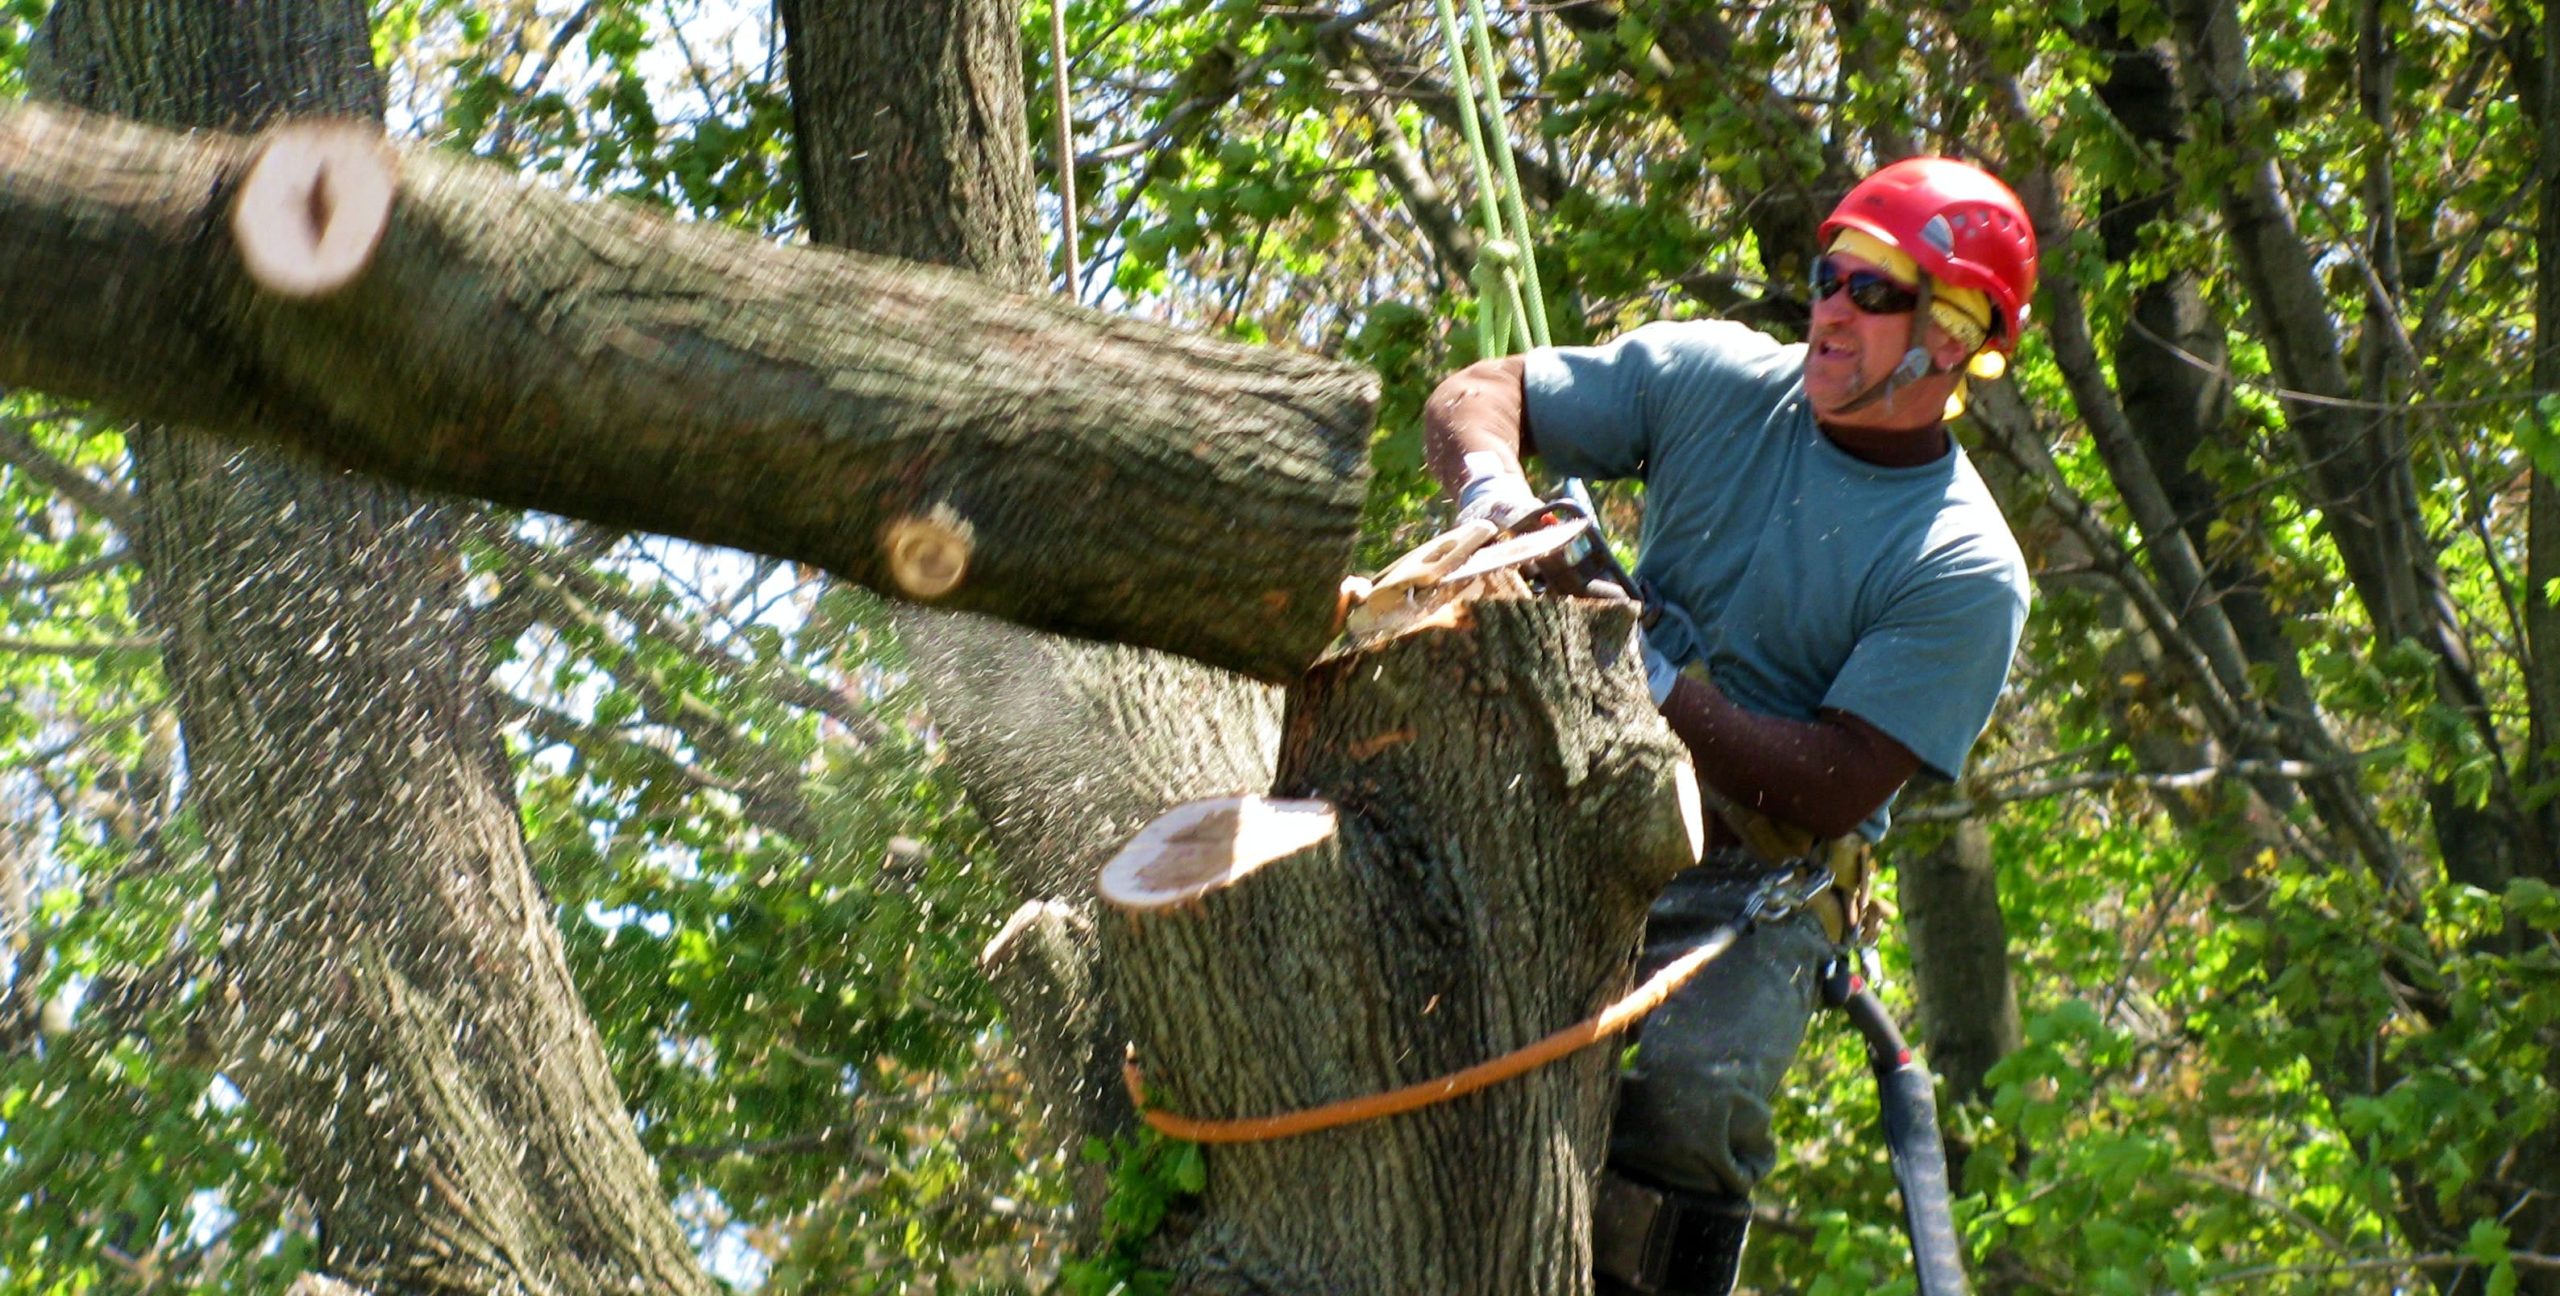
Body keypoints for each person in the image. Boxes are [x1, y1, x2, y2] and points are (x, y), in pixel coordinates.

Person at [1421, 157, 2038, 1295]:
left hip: (1754, 874)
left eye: (1871, 294)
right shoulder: (1711, 378)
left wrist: (1646, 675)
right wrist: (1497, 498)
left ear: (1951, 336)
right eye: (1826, 277)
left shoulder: (1960, 566)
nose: (1830, 310)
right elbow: (1477, 392)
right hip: (1572, 786)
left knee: (1695, 1097)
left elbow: (1833, 782)